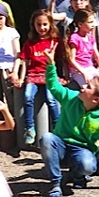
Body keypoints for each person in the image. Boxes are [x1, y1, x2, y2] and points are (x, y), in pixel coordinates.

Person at [37, 46, 99, 197]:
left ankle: (76, 175)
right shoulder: (71, 97)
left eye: (88, 87)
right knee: (47, 138)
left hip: (81, 150)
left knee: (88, 165)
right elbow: (54, 87)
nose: (82, 86)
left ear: (95, 100)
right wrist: (50, 65)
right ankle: (56, 183)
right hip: (61, 144)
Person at [12, 10, 62, 146]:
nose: (42, 28)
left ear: (50, 25)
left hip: (49, 75)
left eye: (45, 24)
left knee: (51, 100)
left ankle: (58, 128)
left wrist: (64, 76)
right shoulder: (30, 43)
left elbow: (62, 59)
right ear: (34, 25)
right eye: (38, 25)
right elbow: (24, 60)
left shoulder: (55, 41)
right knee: (28, 97)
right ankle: (30, 128)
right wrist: (21, 77)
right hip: (33, 75)